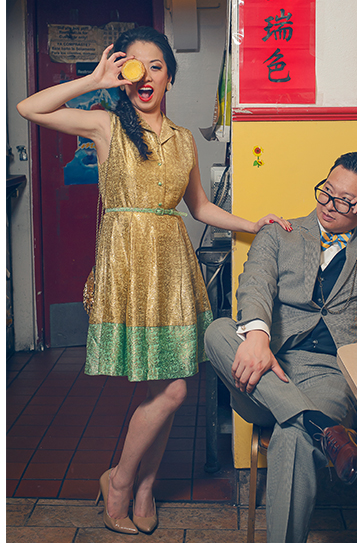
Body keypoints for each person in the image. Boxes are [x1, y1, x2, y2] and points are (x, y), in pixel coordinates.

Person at [16, 26, 291, 535]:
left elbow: (202, 208)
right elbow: (29, 108)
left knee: (168, 389)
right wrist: (95, 79)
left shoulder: (185, 140)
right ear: (125, 78)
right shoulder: (105, 126)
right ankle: (121, 481)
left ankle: (141, 486)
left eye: (155, 66)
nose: (144, 75)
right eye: (133, 66)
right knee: (169, 392)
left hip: (172, 271)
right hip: (128, 269)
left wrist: (253, 223)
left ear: (169, 78)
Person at [203, 151, 357, 543]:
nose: (328, 204)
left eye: (345, 201)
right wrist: (256, 337)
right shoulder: (279, 233)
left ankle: (308, 428)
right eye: (326, 191)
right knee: (217, 329)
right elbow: (255, 284)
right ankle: (324, 429)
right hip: (265, 368)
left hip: (331, 375)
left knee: (292, 438)